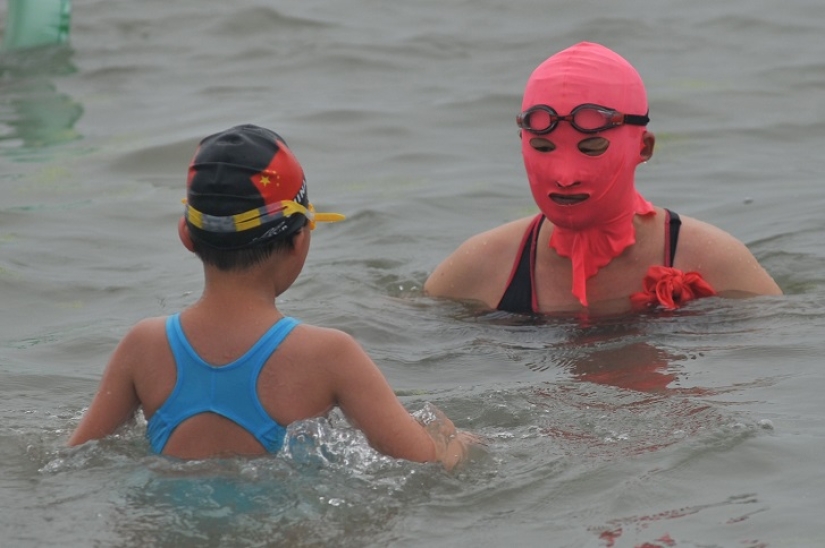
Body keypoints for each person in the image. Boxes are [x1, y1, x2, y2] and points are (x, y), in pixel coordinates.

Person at [69, 124, 474, 469]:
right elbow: (423, 464)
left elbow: (76, 457)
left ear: (186, 235)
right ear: (299, 240)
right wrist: (456, 440)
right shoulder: (329, 354)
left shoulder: (143, 345)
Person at [425, 42, 782, 316]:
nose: (564, 177)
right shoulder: (482, 266)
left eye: (592, 147)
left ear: (644, 148)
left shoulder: (713, 260)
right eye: (542, 146)